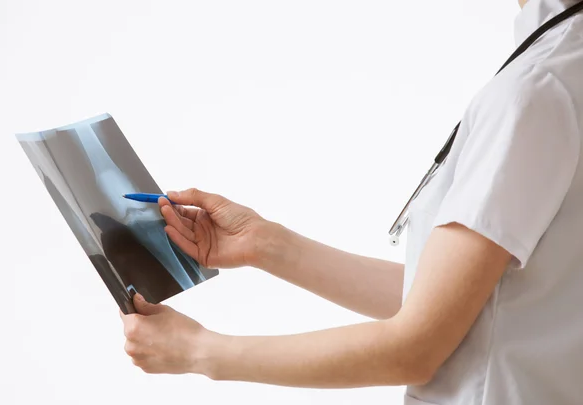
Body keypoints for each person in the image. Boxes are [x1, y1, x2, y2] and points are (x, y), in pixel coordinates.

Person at [119, 0, 583, 403]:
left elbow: (416, 347)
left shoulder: (534, 90)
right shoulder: (564, 67)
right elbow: (464, 301)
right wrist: (266, 244)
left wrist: (201, 352)